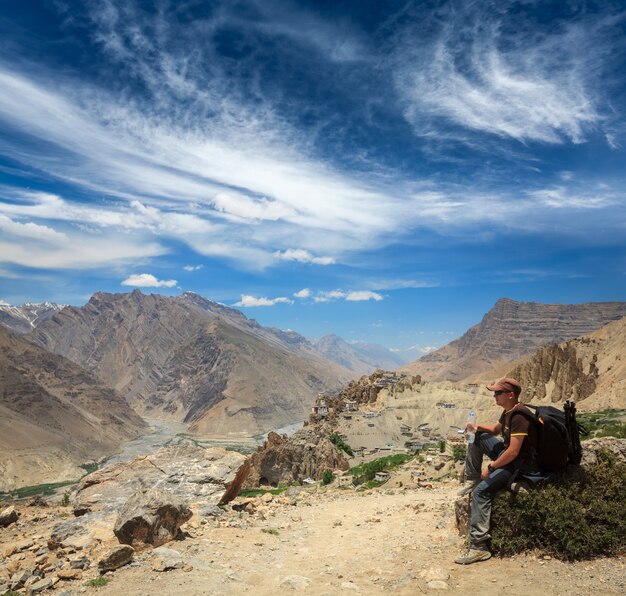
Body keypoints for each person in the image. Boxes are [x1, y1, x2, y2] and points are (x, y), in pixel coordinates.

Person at [455, 377, 539, 565]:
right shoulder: (508, 412)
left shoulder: (519, 416)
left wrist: (492, 467)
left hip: (518, 465)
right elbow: (494, 430)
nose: (494, 396)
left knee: (481, 493)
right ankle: (472, 478)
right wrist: (475, 427)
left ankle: (479, 547)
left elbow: (513, 452)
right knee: (478, 437)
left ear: (510, 395)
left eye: (498, 393)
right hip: (511, 457)